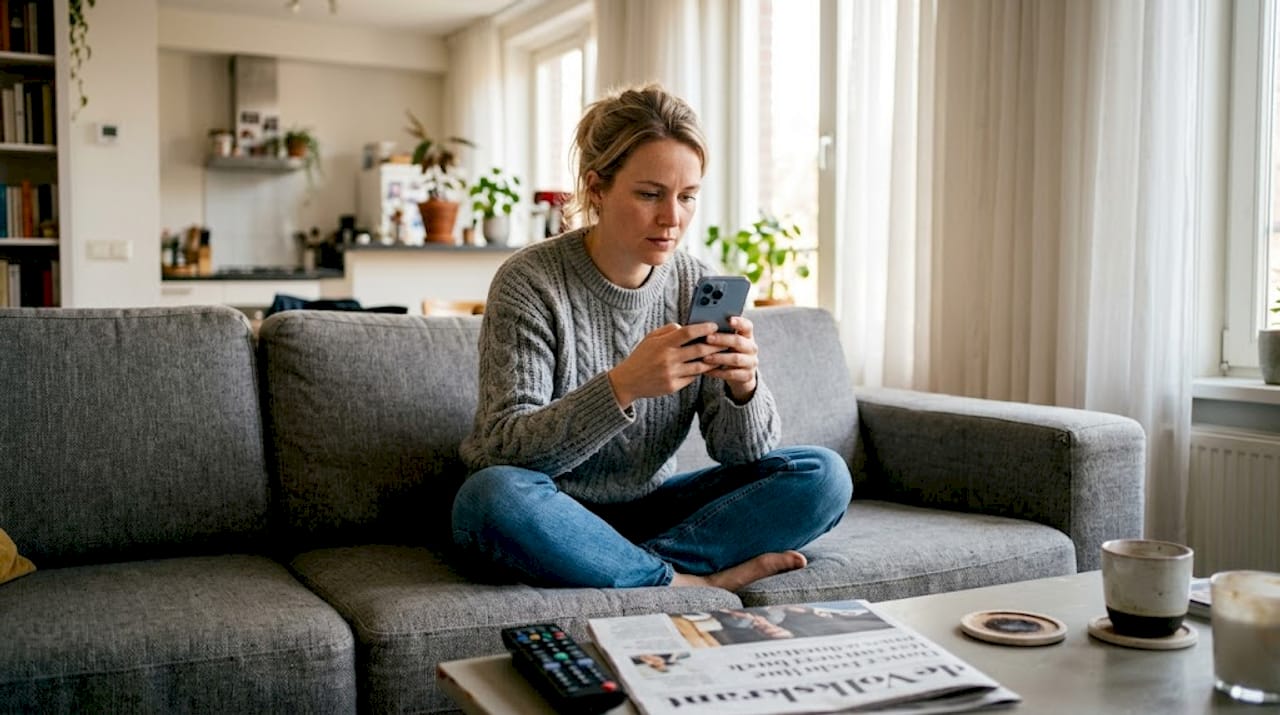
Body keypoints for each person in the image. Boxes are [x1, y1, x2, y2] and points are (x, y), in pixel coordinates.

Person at [451, 83, 852, 591]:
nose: (672, 218)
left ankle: (623, 567)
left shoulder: (692, 284)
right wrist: (623, 386)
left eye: (687, 197)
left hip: (651, 512)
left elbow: (741, 456)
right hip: (547, 508)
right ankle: (684, 583)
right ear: (596, 188)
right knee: (490, 497)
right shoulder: (530, 281)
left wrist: (743, 389)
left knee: (823, 476)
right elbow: (503, 449)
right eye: (649, 194)